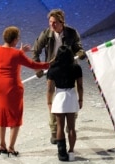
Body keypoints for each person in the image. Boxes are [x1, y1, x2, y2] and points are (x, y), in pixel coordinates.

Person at [0, 26, 50, 157]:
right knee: (15, 116)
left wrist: (19, 52)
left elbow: (9, 57)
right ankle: (11, 147)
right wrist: (49, 64)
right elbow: (33, 65)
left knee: (2, 112)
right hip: (12, 87)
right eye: (18, 38)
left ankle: (1, 144)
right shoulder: (16, 54)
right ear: (14, 40)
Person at [32, 9, 86, 144]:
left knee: (72, 98)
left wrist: (80, 53)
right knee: (53, 101)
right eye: (50, 22)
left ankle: (70, 124)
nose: (52, 25)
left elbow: (78, 47)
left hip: (69, 68)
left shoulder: (71, 33)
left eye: (55, 22)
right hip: (53, 69)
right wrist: (38, 67)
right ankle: (54, 130)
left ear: (62, 22)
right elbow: (36, 51)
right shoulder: (46, 34)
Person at [47, 45, 83, 161]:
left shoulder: (53, 69)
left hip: (59, 96)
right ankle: (71, 151)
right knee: (72, 127)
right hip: (71, 96)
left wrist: (49, 102)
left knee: (60, 127)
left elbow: (50, 89)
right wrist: (80, 99)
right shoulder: (76, 68)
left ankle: (62, 153)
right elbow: (80, 86)